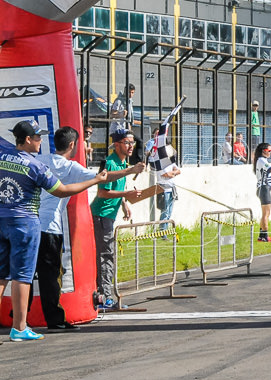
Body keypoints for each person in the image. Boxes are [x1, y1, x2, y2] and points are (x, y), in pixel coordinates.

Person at [0, 120, 109, 341]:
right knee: (22, 277)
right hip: (26, 224)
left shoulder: (3, 157)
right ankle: (19, 328)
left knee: (1, 276)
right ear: (28, 139)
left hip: (2, 219)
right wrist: (96, 180)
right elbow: (62, 190)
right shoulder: (35, 166)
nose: (42, 141)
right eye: (38, 137)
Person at [33, 126, 143, 329]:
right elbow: (103, 179)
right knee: (50, 274)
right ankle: (53, 320)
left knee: (27, 273)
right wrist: (131, 170)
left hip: (32, 222)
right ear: (73, 145)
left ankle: (19, 318)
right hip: (50, 225)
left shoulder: (43, 160)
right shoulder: (71, 167)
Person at [91, 128, 146, 309]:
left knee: (108, 254)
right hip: (101, 215)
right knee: (106, 255)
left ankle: (104, 294)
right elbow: (102, 192)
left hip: (109, 215)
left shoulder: (123, 164)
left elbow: (118, 186)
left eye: (132, 143)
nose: (131, 146)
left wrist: (124, 202)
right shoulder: (110, 163)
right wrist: (127, 192)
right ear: (116, 144)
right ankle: (105, 296)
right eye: (127, 143)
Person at [148, 137, 181, 233]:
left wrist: (173, 173)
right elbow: (166, 174)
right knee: (165, 212)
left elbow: (177, 170)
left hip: (171, 188)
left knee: (169, 212)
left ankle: (165, 230)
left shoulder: (170, 159)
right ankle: (162, 231)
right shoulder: (159, 160)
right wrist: (172, 173)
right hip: (163, 188)